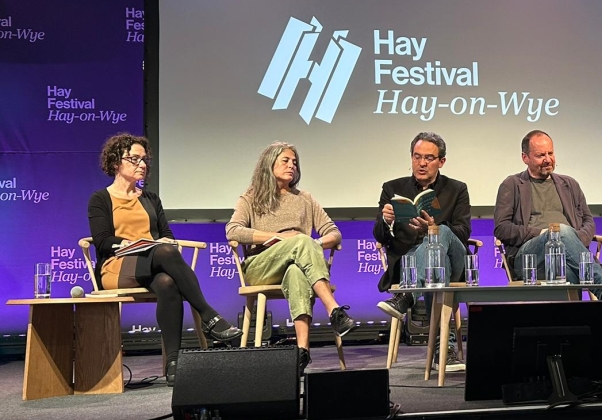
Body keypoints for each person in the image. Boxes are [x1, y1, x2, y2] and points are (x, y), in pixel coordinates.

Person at [88, 133, 243, 387]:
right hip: (117, 266)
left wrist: (161, 243)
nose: (142, 164)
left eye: (144, 160)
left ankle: (174, 363)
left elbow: (166, 236)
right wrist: (126, 243)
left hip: (152, 264)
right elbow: (103, 240)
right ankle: (209, 316)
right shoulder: (101, 199)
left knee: (168, 282)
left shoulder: (150, 199)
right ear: (116, 163)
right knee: (166, 252)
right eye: (134, 159)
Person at [226, 141, 356, 372]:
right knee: (300, 242)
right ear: (269, 163)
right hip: (260, 266)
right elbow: (233, 230)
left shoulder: (304, 198)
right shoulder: (251, 197)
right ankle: (334, 310)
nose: (291, 166)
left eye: (294, 162)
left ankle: (302, 351)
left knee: (297, 272)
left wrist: (312, 244)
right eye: (285, 161)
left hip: (296, 262)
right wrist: (278, 237)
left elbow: (334, 233)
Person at [493, 130, 602, 310]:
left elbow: (589, 222)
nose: (548, 159)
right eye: (541, 155)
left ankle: (571, 331)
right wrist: (544, 234)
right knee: (560, 232)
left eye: (550, 153)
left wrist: (571, 240)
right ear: (525, 158)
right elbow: (502, 228)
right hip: (531, 258)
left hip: (567, 256)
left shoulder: (569, 184)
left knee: (565, 258)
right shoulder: (512, 184)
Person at [373, 132, 471, 372]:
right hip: (412, 263)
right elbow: (379, 235)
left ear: (442, 161)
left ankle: (407, 296)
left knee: (442, 233)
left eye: (429, 157)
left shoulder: (457, 189)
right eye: (417, 157)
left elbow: (463, 231)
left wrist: (432, 229)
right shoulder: (392, 188)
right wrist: (386, 221)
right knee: (435, 264)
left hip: (454, 259)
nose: (422, 163)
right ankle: (443, 350)